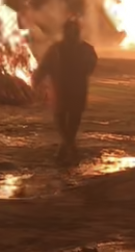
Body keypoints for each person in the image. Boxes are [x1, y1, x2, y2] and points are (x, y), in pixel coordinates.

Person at [31, 18, 98, 165]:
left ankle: (67, 147)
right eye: (70, 31)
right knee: (61, 117)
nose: (72, 34)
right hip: (61, 89)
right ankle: (69, 147)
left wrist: (85, 68)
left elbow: (91, 64)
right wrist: (37, 79)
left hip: (75, 89)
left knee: (73, 117)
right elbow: (45, 66)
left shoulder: (85, 49)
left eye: (74, 31)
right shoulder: (57, 49)